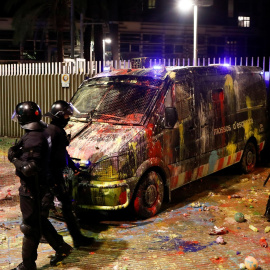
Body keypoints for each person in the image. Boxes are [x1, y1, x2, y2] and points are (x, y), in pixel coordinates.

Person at [8, 101, 73, 270]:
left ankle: (28, 265)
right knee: (40, 221)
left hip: (33, 188)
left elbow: (30, 168)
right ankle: (62, 248)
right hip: (40, 186)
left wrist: (14, 159)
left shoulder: (34, 138)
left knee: (30, 226)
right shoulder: (39, 133)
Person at [44, 100, 94, 248]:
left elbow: (63, 153)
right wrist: (65, 173)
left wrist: (73, 167)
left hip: (51, 175)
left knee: (57, 206)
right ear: (60, 116)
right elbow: (58, 158)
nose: (68, 118)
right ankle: (75, 239)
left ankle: (75, 238)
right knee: (61, 207)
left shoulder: (50, 129)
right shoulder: (57, 132)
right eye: (66, 115)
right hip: (53, 176)